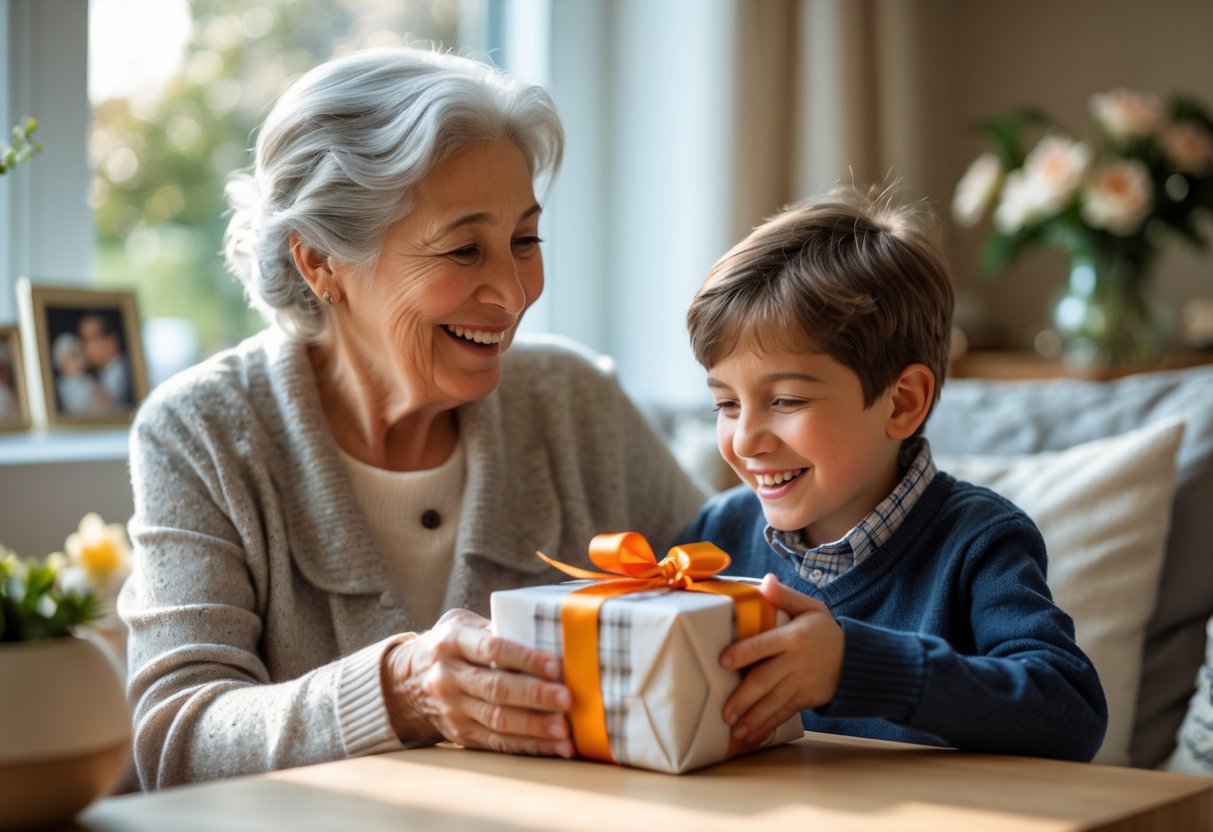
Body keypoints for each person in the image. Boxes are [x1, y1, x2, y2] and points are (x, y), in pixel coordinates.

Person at [119, 46, 707, 789]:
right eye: (464, 249)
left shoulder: (571, 398)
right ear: (321, 262)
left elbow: (727, 576)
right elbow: (176, 740)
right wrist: (397, 690)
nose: (512, 291)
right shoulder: (202, 431)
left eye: (524, 240)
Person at [677, 185, 1107, 762]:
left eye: (785, 401)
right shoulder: (719, 537)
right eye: (726, 405)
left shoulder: (977, 542)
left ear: (903, 402)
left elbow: (1071, 710)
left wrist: (856, 667)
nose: (746, 439)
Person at [78, 312, 131, 407]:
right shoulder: (99, 378)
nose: (83, 347)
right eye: (82, 341)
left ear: (111, 341)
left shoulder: (130, 375)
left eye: (88, 339)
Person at [52, 331, 111, 414]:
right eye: (73, 357)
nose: (79, 360)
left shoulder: (90, 380)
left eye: (80, 354)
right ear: (61, 362)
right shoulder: (59, 387)